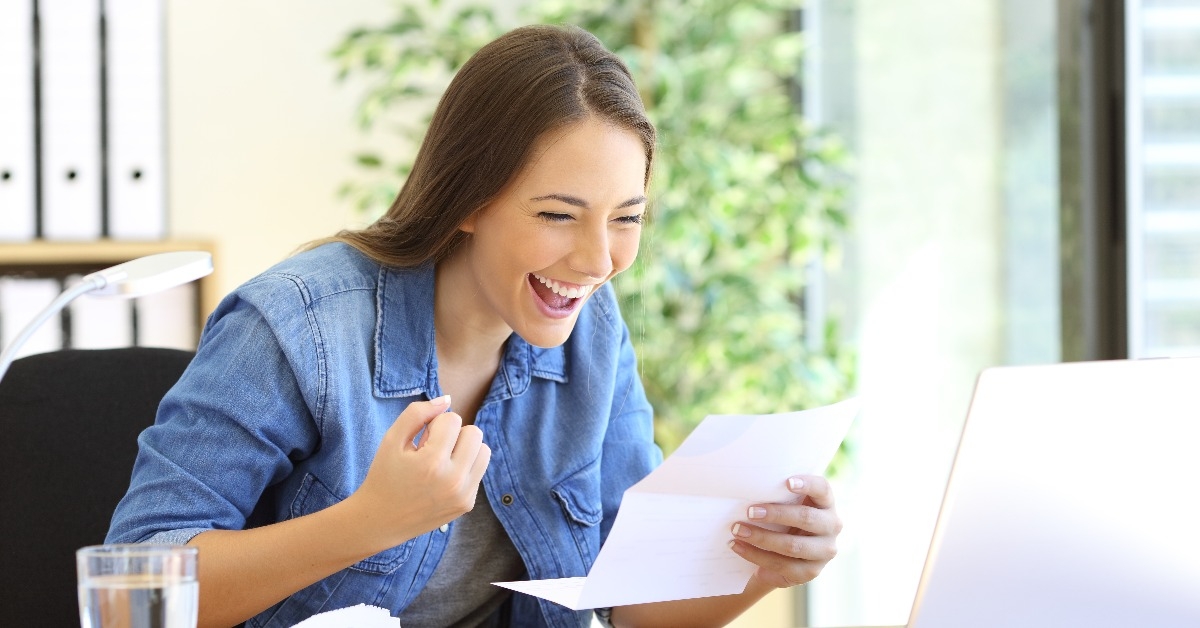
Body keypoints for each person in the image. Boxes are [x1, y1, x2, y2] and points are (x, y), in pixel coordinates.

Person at [106, 24, 842, 628]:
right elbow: (131, 595)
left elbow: (629, 604)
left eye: (626, 219)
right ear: (468, 200)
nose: (597, 261)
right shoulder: (297, 324)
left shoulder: (594, 332)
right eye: (557, 215)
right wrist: (370, 521)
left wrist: (764, 568)